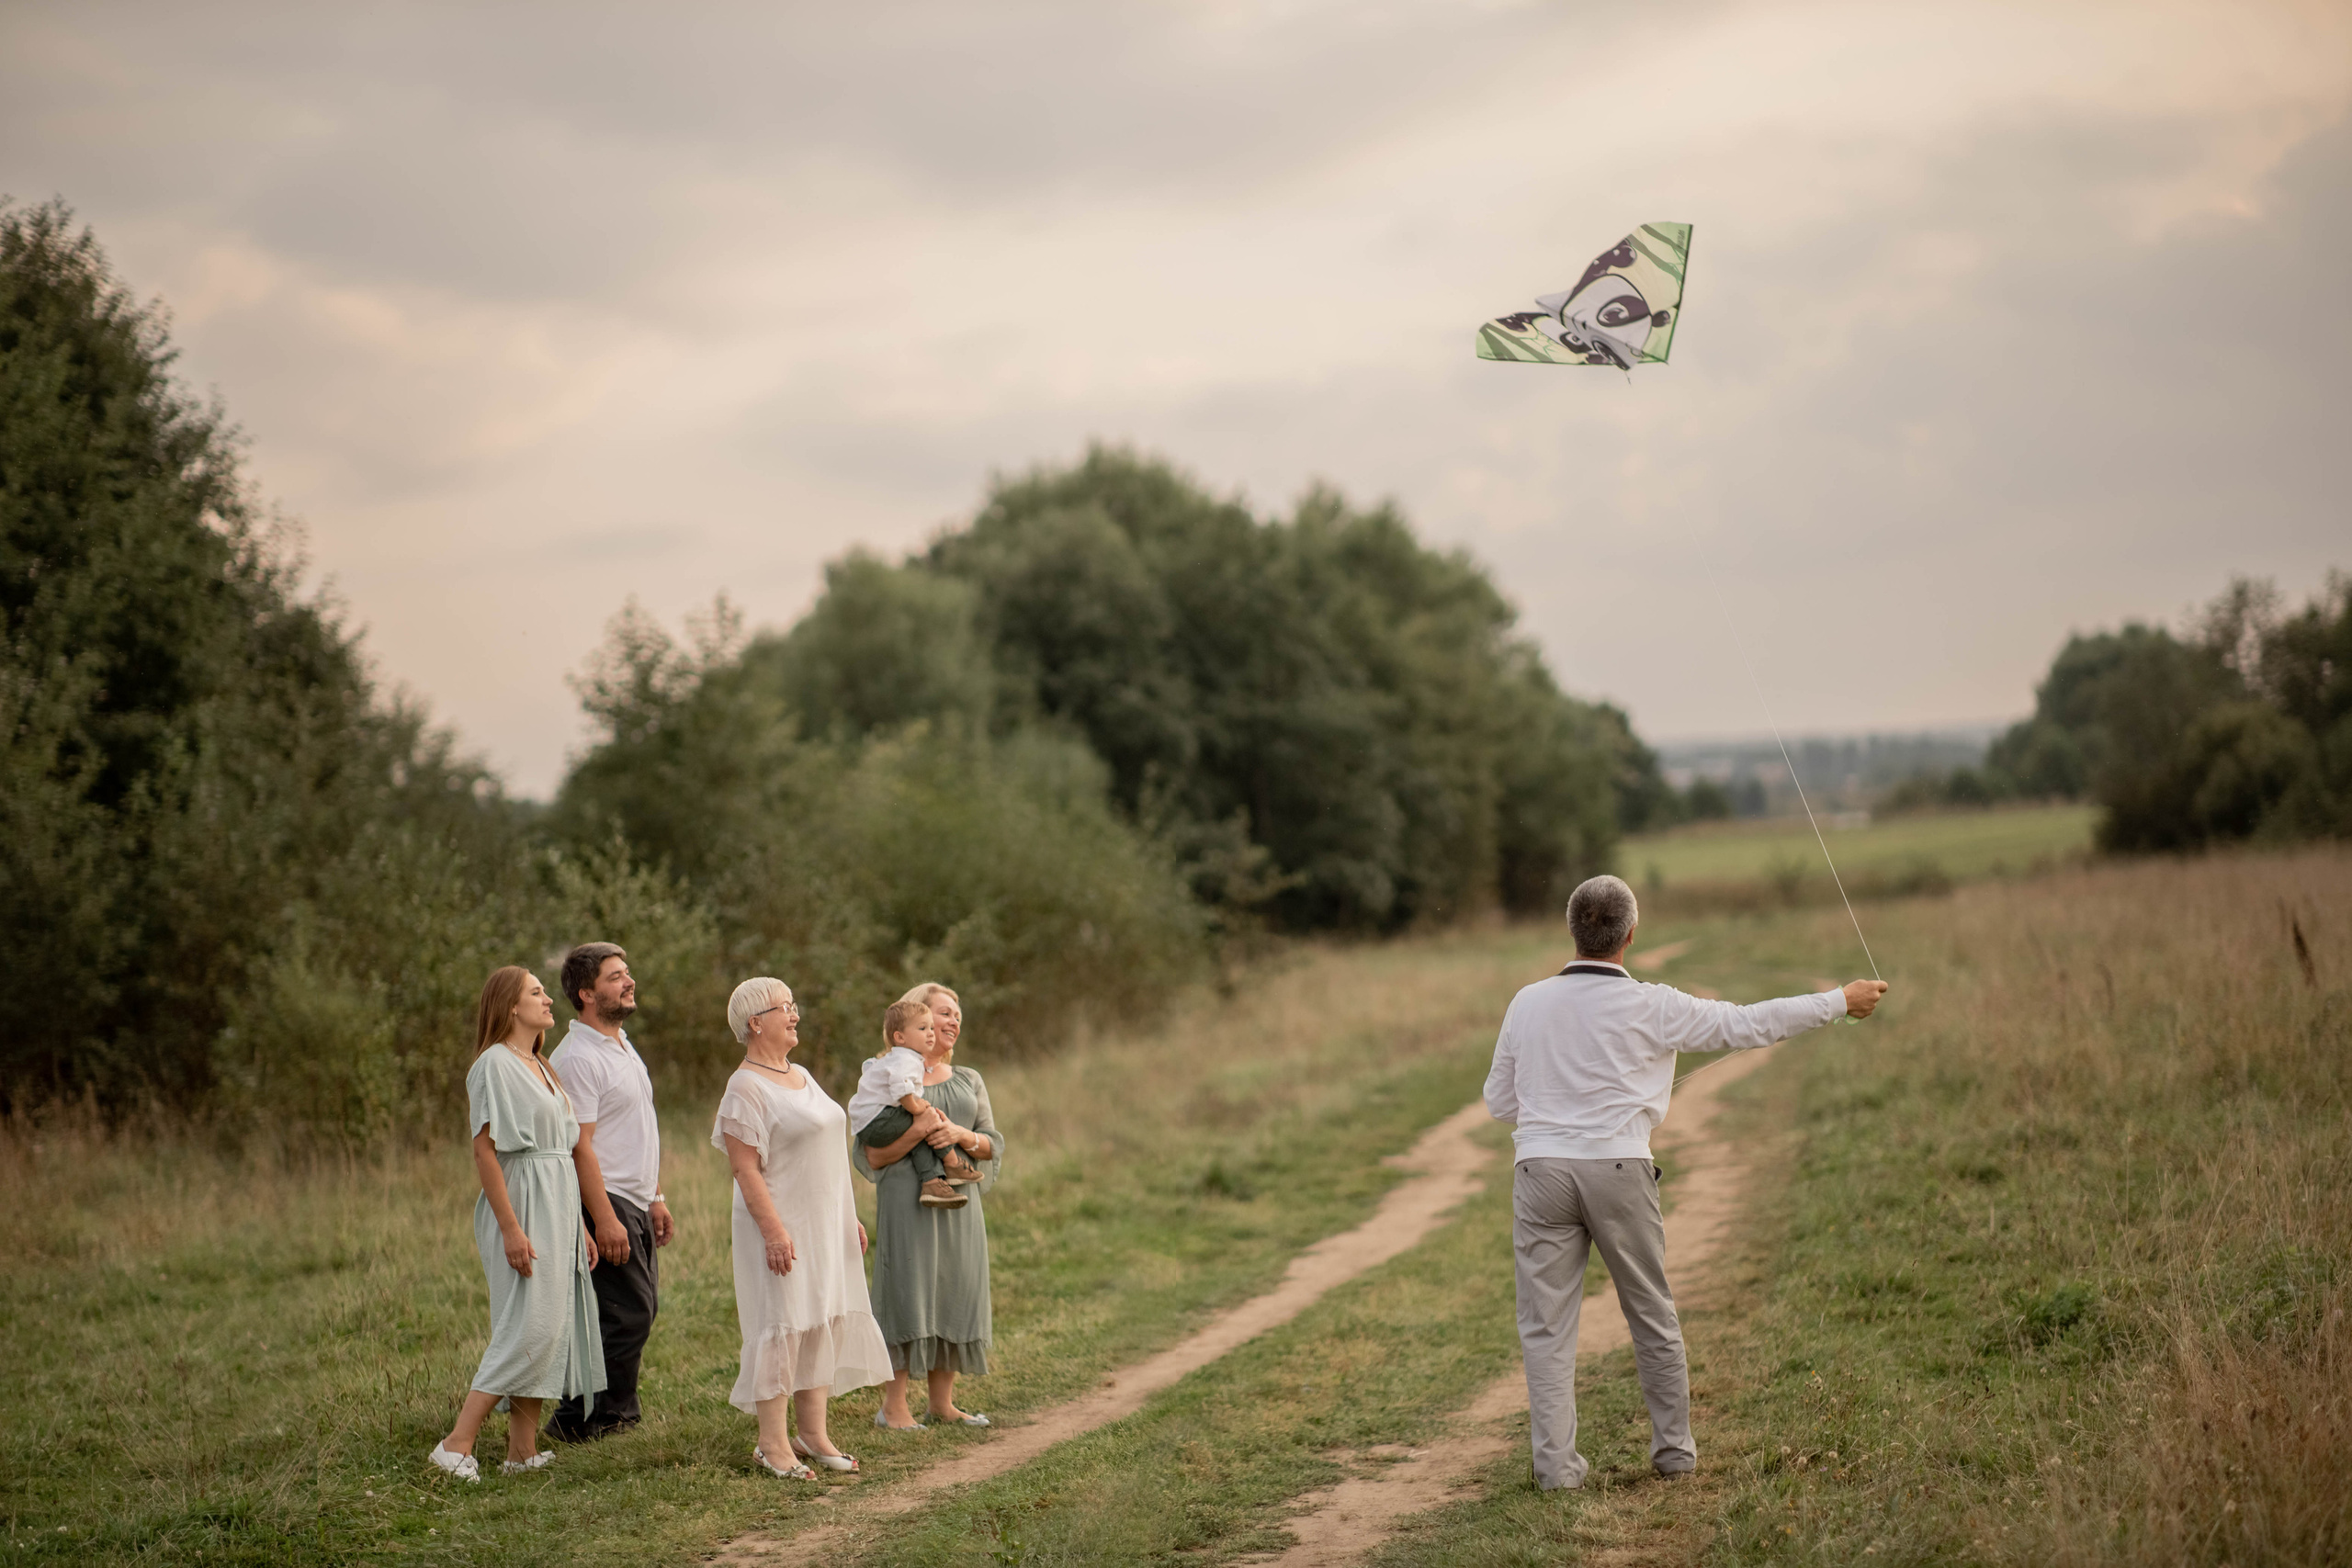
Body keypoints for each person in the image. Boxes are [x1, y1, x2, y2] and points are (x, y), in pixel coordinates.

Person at [1484, 874, 1888, 1491]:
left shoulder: (1525, 1001)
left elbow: (1498, 1102)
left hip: (1538, 1172)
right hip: (1620, 1170)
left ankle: (1556, 1470)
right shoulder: (1656, 1003)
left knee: (1544, 1327)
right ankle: (1674, 1454)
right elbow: (1749, 1022)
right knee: (1650, 1313)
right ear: (1631, 934)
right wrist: (1840, 1000)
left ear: (1573, 930)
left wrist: (1556, 1108)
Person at [429, 966, 606, 1482]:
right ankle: (456, 1444)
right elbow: (484, 1151)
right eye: (536, 992)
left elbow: (565, 1151)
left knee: (550, 1326)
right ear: (510, 1006)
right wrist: (510, 1228)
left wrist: (580, 1226)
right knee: (525, 1325)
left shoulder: (543, 1065)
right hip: (522, 1202)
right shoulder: (493, 1066)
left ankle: (521, 1451)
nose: (549, 998)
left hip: (557, 1202)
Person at [712, 977, 893, 1479]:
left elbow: (827, 1153)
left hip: (824, 1225)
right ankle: (772, 1444)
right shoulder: (744, 1086)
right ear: (755, 1022)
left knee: (820, 1319)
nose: (795, 1014)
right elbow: (745, 1168)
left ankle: (812, 1434)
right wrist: (773, 1232)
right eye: (784, 1007)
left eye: (795, 1004)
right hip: (780, 1226)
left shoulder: (802, 1074)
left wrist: (848, 1216)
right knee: (781, 1327)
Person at [858, 982, 1002, 1431]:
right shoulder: (887, 1076)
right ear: (914, 1020)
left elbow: (992, 1144)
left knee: (955, 1289)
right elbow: (873, 1154)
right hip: (906, 1202)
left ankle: (942, 1403)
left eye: (957, 1013)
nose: (953, 1021)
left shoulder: (969, 1080)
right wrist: (921, 1131)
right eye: (942, 1013)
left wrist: (960, 1136)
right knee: (907, 1292)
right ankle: (893, 1408)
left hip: (961, 1202)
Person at [545, 942, 673, 1443]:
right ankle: (598, 1420)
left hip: (636, 1197)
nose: (628, 981)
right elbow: (581, 1148)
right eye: (615, 976)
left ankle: (585, 1418)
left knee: (630, 1312)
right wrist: (605, 1218)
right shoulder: (577, 1057)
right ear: (586, 993)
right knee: (629, 1314)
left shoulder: (620, 1043)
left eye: (627, 972)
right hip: (608, 1198)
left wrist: (656, 1197)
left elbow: (637, 1129)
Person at [847, 999, 983, 1210]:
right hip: (877, 1119)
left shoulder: (897, 1058)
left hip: (869, 1122)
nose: (930, 1033)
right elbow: (901, 1088)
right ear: (899, 1037)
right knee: (927, 1118)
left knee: (920, 1132)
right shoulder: (906, 1059)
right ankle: (953, 1164)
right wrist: (917, 1108)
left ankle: (931, 1183)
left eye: (930, 1027)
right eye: (922, 1028)